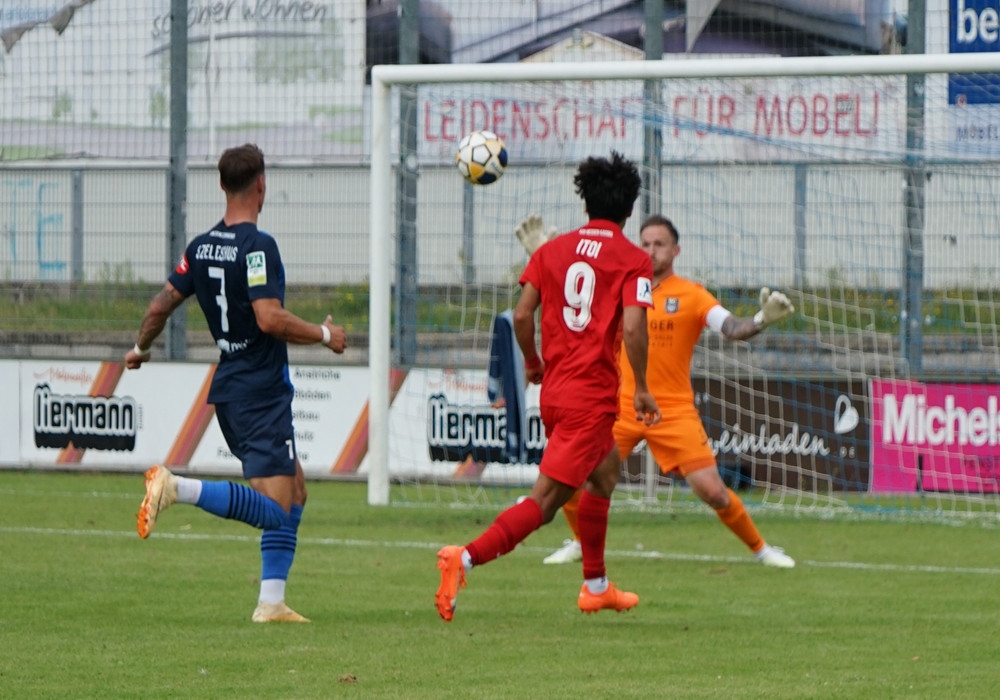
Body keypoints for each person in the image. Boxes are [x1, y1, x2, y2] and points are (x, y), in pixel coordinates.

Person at [124, 143, 347, 622]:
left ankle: (272, 602)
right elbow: (269, 318)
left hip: (232, 386)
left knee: (296, 491)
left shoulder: (200, 247)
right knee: (276, 509)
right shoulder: (257, 247)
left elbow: (160, 307)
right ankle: (176, 488)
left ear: (222, 185)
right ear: (261, 185)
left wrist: (140, 349)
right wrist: (326, 335)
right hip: (260, 391)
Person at [435, 151, 662, 622]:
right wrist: (641, 386)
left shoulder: (551, 251)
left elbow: (522, 316)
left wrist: (534, 362)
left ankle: (596, 586)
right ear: (628, 209)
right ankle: (465, 557)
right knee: (544, 503)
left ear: (585, 204)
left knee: (605, 474)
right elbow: (634, 328)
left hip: (557, 393)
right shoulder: (634, 259)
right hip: (590, 398)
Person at [520, 214, 796, 568]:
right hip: (618, 405)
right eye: (645, 243)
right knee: (571, 478)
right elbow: (571, 291)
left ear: (675, 250)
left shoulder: (692, 294)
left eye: (660, 244)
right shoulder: (617, 284)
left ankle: (762, 550)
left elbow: (730, 327)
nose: (651, 251)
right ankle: (579, 542)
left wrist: (760, 320)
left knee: (713, 491)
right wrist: (542, 256)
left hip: (673, 409)